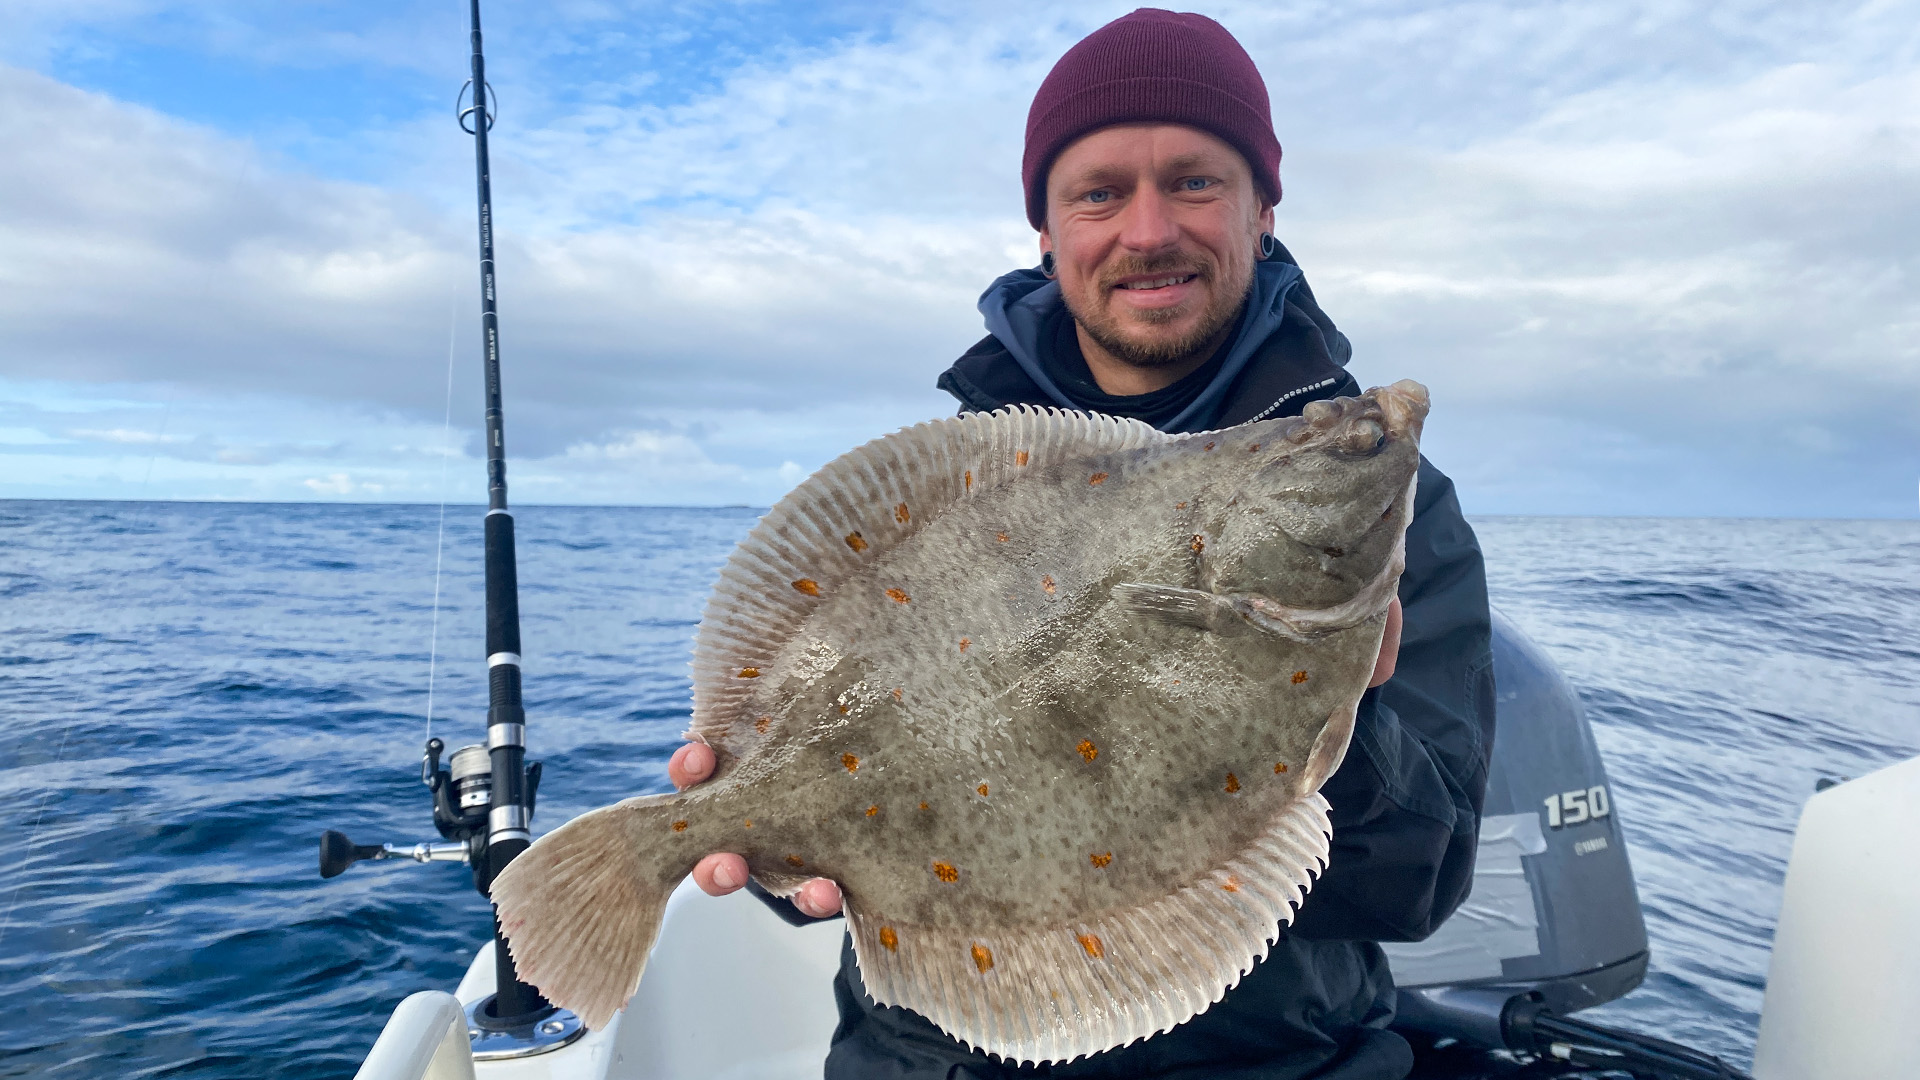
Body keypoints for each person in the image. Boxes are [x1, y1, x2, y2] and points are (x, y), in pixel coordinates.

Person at [667, 9, 1495, 1079]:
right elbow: (841, 837)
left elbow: (1420, 884)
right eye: (1099, 193)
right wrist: (769, 840)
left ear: (1263, 211)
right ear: (1047, 233)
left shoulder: (1406, 516)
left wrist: (1340, 712)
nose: (1147, 230)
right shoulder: (956, 490)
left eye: (1193, 181)